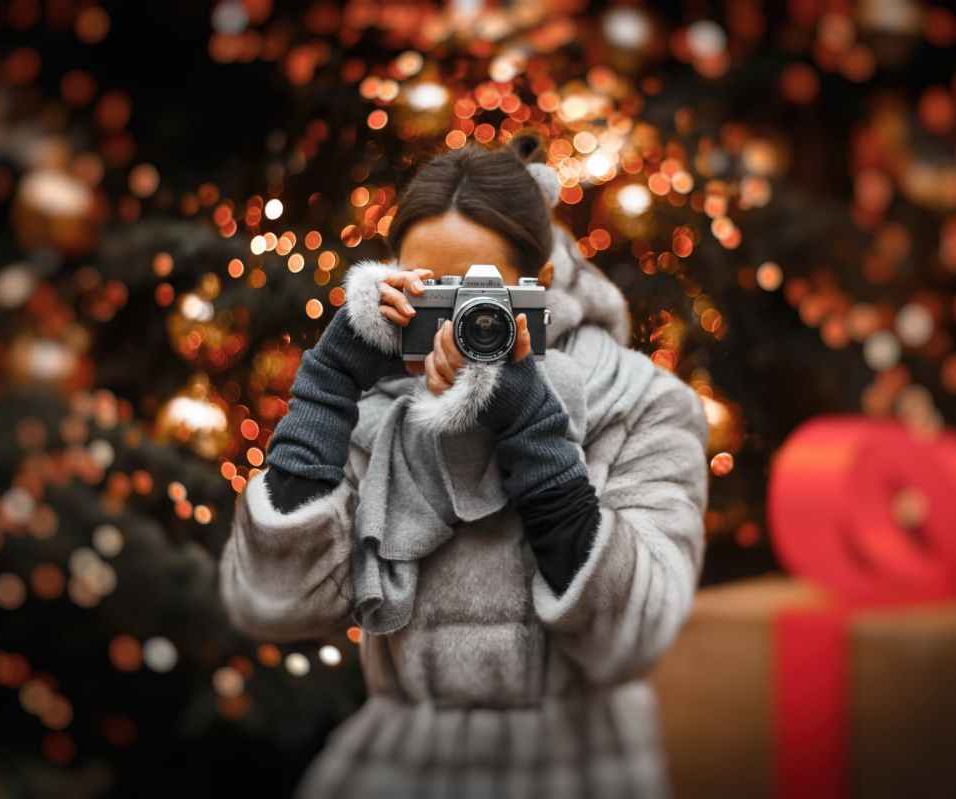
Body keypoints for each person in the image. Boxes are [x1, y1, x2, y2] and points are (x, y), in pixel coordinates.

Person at [219, 133, 709, 798]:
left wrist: (534, 431)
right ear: (395, 279)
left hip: (578, 765)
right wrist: (326, 390)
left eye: (477, 296)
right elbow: (275, 605)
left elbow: (637, 636)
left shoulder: (638, 400)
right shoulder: (379, 398)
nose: (453, 322)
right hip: (403, 766)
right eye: (431, 294)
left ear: (538, 286)